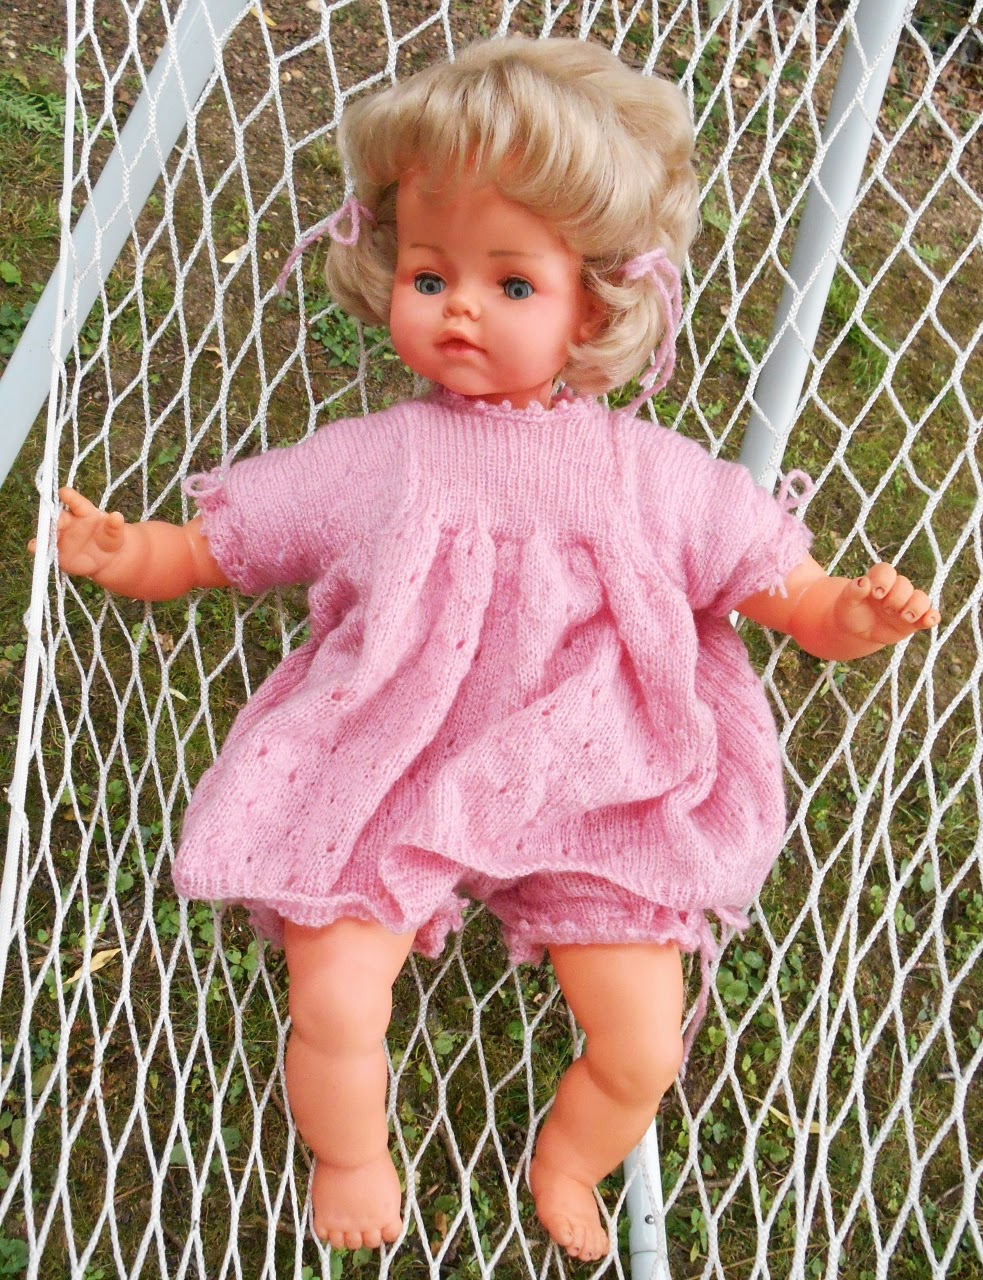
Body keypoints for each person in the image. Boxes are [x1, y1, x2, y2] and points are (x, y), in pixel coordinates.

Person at [36, 36, 939, 1264]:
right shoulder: (376, 459)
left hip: (591, 767)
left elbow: (787, 596)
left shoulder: (648, 474)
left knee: (641, 1043)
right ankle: (350, 1152)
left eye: (510, 284)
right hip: (388, 753)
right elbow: (220, 548)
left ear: (594, 305)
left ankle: (568, 1156)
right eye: (428, 273)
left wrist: (854, 616)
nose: (458, 304)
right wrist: (126, 549)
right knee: (333, 994)